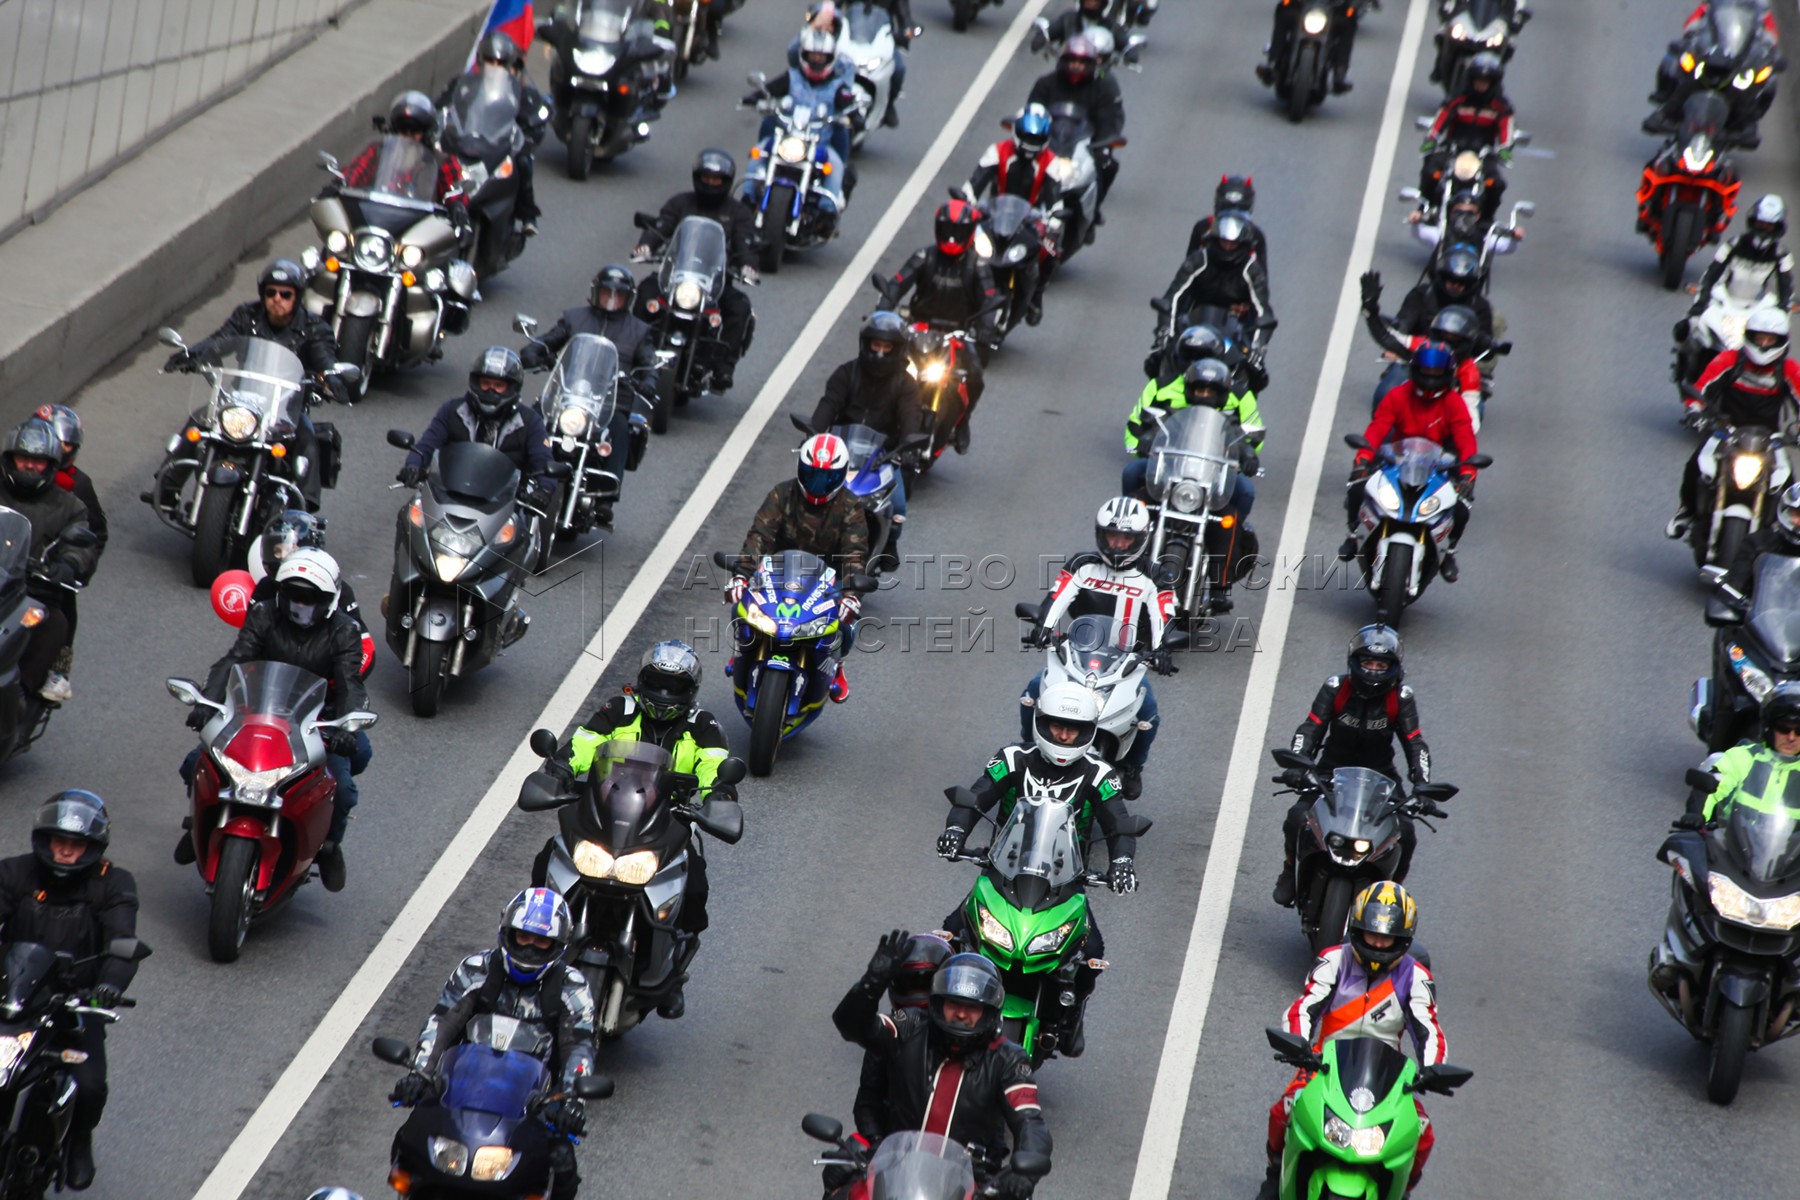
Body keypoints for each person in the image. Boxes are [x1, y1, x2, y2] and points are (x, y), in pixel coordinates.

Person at [939, 682, 1139, 1056]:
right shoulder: (1012, 759)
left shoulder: (1101, 774)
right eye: (1057, 725)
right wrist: (954, 831)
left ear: (1088, 731)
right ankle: (929, 1014)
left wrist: (1123, 862)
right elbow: (975, 797)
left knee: (1092, 951)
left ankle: (1071, 1013)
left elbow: (1119, 823)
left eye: (1073, 729)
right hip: (1002, 874)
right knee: (949, 934)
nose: (1063, 735)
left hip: (1065, 882)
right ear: (1040, 722)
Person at [539, 640, 732, 1017]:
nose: (664, 694)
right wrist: (562, 766)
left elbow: (715, 763)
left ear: (690, 691)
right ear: (642, 681)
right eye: (657, 683)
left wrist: (720, 793)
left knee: (695, 885)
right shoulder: (618, 710)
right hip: (606, 814)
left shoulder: (703, 725)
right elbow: (586, 742)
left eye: (674, 687)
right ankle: (533, 932)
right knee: (550, 855)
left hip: (669, 821)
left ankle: (673, 974)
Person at [177, 549, 369, 891]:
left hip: (316, 720)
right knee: (196, 762)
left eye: (310, 599)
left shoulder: (344, 630)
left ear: (329, 600)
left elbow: (350, 684)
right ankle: (198, 822)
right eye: (294, 595)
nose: (301, 605)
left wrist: (344, 729)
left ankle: (329, 847)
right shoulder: (264, 614)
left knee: (342, 787)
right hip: (258, 710)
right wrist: (208, 701)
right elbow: (235, 659)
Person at [391, 889, 598, 1200]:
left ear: (557, 945)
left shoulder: (573, 987)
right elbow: (442, 1021)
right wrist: (418, 1074)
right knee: (409, 1139)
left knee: (562, 1163)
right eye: (522, 936)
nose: (529, 947)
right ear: (507, 933)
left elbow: (578, 1047)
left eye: (541, 941)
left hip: (536, 1102)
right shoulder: (475, 969)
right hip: (462, 1088)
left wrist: (572, 1103)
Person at [1256, 881, 1445, 1200]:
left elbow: (1429, 1028)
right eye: (1372, 934)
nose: (1379, 943)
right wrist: (1298, 1042)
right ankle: (1275, 1175)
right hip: (1324, 1064)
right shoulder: (1333, 960)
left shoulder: (1416, 978)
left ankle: (1400, 1190)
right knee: (1283, 1110)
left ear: (1403, 939)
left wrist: (1432, 1067)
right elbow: (1305, 1006)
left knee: (1422, 1132)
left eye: (1387, 937)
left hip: (1387, 1076)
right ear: (1357, 929)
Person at [832, 938, 1052, 1197]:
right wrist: (871, 983)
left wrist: (1025, 1174)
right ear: (938, 1002)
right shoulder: (910, 1026)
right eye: (954, 1004)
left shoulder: (1008, 1058)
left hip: (971, 1182)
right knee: (838, 1180)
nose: (961, 1014)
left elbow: (1030, 1122)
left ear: (989, 1011)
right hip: (893, 1169)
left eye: (972, 1007)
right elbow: (852, 1026)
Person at [0, 791, 139, 1191]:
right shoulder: (13, 872)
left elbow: (122, 942)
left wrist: (109, 986)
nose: (65, 851)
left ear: (92, 848)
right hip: (13, 998)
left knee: (90, 1084)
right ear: (44, 840)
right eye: (59, 841)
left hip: (73, 1004)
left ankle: (79, 1138)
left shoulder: (114, 884)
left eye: (75, 844)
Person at [1020, 497, 1178, 797]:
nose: (1118, 545)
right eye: (1111, 536)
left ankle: (1132, 766)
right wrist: (1043, 627)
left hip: (1127, 661)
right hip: (1078, 655)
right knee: (1032, 693)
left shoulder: (1156, 576)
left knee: (1148, 713)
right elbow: (1057, 597)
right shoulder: (1082, 565)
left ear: (1141, 538)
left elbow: (1163, 614)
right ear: (1099, 535)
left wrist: (1162, 649)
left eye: (1126, 538)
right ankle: (1028, 748)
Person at [157, 258, 343, 510]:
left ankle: (304, 509)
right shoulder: (248, 316)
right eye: (271, 292)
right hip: (242, 398)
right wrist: (192, 354)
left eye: (285, 294)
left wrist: (332, 378)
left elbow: (325, 359)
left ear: (297, 296)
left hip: (285, 408)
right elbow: (220, 340)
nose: (277, 299)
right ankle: (167, 488)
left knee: (307, 435)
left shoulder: (314, 327)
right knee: (200, 421)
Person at [1272, 625, 1430, 907]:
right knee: (1297, 817)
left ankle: (1390, 893)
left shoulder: (1401, 698)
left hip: (1382, 777)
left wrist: (1422, 786)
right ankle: (1288, 871)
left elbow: (1415, 743)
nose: (1373, 670)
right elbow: (1310, 728)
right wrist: (1299, 764)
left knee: (1406, 833)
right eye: (1368, 663)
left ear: (1393, 667)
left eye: (1381, 665)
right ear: (1355, 662)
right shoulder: (1335, 688)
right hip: (1330, 771)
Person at [728, 433, 871, 702]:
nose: (818, 483)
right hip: (778, 573)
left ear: (841, 475)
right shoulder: (781, 494)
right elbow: (759, 536)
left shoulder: (851, 507)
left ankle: (837, 666)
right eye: (812, 474)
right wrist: (742, 575)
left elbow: (855, 554)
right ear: (800, 469)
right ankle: (743, 651)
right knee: (740, 608)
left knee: (846, 627)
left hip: (828, 580)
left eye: (827, 477)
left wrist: (852, 595)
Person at [519, 265, 655, 520]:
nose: (611, 299)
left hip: (610, 402)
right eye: (607, 293)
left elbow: (648, 363)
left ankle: (606, 497)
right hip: (567, 395)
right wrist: (534, 352)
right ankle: (516, 473)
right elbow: (549, 340)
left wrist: (648, 381)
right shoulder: (574, 318)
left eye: (618, 295)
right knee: (533, 417)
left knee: (620, 428)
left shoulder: (638, 330)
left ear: (628, 298)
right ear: (596, 292)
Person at [1340, 342, 1481, 581]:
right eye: (1426, 371)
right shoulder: (1398, 395)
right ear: (1415, 370)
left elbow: (1466, 441)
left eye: (1436, 373)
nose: (1430, 377)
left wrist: (1468, 476)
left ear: (1447, 374)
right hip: (1396, 460)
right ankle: (1352, 535)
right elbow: (1377, 429)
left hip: (1438, 466)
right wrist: (1362, 460)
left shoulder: (1454, 403)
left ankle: (1450, 553)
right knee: (1357, 487)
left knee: (1462, 508)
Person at [877, 202, 999, 451]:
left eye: (958, 230)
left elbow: (989, 297)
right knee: (883, 363)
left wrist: (986, 328)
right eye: (947, 229)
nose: (952, 236)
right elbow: (897, 284)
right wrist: (883, 310)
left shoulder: (978, 265)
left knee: (975, 376)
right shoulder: (925, 256)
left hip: (958, 335)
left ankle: (963, 421)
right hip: (918, 330)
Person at [1668, 308, 1800, 539]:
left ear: (1781, 341)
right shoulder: (1729, 360)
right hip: (1725, 431)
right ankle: (1686, 512)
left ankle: (1785, 529)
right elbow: (1700, 388)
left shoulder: (1788, 370)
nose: (1764, 344)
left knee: (1787, 481)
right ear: (1749, 336)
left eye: (1770, 340)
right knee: (1695, 464)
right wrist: (1695, 410)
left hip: (1770, 438)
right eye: (1760, 338)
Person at [635, 149, 760, 389]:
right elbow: (662, 226)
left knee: (740, 307)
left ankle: (723, 367)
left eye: (716, 179)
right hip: (676, 279)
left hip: (715, 285)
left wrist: (748, 266)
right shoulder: (680, 203)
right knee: (645, 291)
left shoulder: (738, 213)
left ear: (726, 182)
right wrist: (646, 246)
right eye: (706, 178)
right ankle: (632, 349)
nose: (710, 183)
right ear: (697, 177)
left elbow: (745, 242)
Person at [0, 417, 101, 703]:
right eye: (23, 458)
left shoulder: (70, 506)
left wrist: (68, 565)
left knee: (54, 624)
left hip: (31, 592)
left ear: (51, 464)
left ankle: (21, 695)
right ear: (11, 458)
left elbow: (83, 547)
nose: (30, 466)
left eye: (38, 460)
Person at [810, 311, 926, 554]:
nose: (880, 352)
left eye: (887, 346)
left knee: (898, 503)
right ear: (866, 343)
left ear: (897, 349)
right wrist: (813, 433)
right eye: (876, 345)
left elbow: (910, 416)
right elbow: (828, 405)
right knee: (805, 490)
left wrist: (907, 448)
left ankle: (889, 543)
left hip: (884, 456)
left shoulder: (907, 385)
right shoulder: (845, 373)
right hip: (839, 451)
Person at [397, 347, 555, 504]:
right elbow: (426, 445)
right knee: (412, 513)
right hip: (450, 497)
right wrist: (413, 465)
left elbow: (542, 459)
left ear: (512, 387)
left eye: (498, 385)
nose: (491, 390)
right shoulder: (452, 411)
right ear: (475, 382)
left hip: (508, 505)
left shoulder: (530, 421)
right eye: (486, 384)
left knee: (528, 519)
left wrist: (545, 490)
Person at [245, 511, 376, 682]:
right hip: (272, 683)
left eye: (290, 550)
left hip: (320, 686)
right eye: (276, 551)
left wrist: (337, 682)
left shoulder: (339, 590)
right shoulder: (265, 588)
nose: (281, 557)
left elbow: (365, 649)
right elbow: (249, 641)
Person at [30, 404, 104, 701]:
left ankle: (58, 670)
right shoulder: (7, 472)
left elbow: (95, 534)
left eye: (65, 445)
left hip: (45, 568)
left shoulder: (77, 485)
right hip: (7, 557)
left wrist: (73, 566)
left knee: (63, 608)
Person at [441, 30, 547, 235]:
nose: (494, 66)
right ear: (481, 61)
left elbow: (536, 112)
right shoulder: (463, 86)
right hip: (468, 142)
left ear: (509, 65)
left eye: (499, 62)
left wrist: (532, 124)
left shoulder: (518, 91)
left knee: (524, 161)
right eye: (490, 61)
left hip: (500, 145)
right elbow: (443, 104)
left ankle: (528, 215)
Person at [1153, 212, 1275, 371]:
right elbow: (1174, 296)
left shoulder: (1253, 271)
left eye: (1233, 243)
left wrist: (1258, 347)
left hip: (1236, 333)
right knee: (1156, 358)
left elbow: (1263, 311)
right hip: (1193, 326)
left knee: (1256, 371)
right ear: (1215, 239)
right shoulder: (1197, 261)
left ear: (1243, 243)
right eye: (1224, 242)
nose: (1228, 247)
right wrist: (1165, 331)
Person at [748, 25, 859, 196]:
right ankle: (748, 197)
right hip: (786, 139)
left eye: (821, 57)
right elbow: (770, 89)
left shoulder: (837, 86)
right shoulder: (792, 77)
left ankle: (828, 206)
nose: (816, 61)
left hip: (819, 144)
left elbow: (849, 102)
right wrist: (754, 98)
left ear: (830, 58)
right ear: (804, 55)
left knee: (836, 166)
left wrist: (854, 114)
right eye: (813, 56)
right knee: (758, 154)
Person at [339, 92, 469, 230]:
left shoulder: (442, 162)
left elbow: (456, 190)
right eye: (403, 130)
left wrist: (457, 205)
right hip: (375, 221)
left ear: (426, 133)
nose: (408, 137)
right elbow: (357, 170)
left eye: (414, 131)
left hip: (419, 230)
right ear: (395, 130)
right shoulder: (378, 151)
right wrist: (340, 183)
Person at [1026, 35, 1125, 208]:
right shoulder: (1046, 84)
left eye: (1081, 62)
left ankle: (1094, 209)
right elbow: (1032, 113)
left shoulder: (1102, 88)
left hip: (1083, 147)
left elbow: (1108, 121)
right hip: (1048, 144)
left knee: (1108, 166)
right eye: (1072, 61)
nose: (1076, 66)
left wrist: (1103, 145)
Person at [1418, 53, 1515, 219]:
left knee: (1496, 184)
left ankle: (1486, 220)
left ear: (1493, 83)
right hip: (1453, 150)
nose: (1481, 85)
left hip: (1484, 155)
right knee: (1431, 173)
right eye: (1478, 80)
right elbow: (1441, 120)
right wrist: (1432, 138)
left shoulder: (1501, 107)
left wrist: (1505, 148)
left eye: (1485, 81)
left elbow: (1506, 130)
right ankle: (1424, 209)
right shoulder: (1456, 100)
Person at [1681, 194, 1795, 333]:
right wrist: (1701, 300)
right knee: (1687, 327)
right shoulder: (1733, 244)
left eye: (1768, 226)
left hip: (1756, 310)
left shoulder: (1782, 255)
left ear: (1777, 227)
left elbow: (1785, 285)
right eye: (1760, 224)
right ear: (1753, 221)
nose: (1763, 229)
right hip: (1724, 302)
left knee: (1779, 337)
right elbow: (1712, 273)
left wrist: (1784, 309)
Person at [796, 1, 917, 127]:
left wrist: (907, 30)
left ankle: (888, 105)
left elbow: (905, 17)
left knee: (899, 69)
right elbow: (833, 4)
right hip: (850, 34)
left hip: (882, 39)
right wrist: (823, 15)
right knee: (816, 52)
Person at [1257, 0, 1359, 93]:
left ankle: (1340, 73)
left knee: (1349, 22)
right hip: (1300, 6)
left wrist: (1351, 5)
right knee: (1283, 12)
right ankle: (1273, 62)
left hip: (1334, 10)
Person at [1186, 174, 1270, 269]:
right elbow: (1189, 265)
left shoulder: (1256, 236)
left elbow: (1261, 273)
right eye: (1227, 208)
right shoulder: (1203, 228)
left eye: (1239, 210)